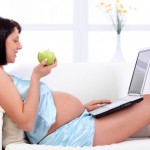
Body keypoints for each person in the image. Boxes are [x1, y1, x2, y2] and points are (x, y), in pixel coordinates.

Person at [0, 16, 150, 147]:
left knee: (143, 104)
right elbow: (26, 122)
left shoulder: (4, 75)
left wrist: (81, 108)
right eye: (15, 40)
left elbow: (32, 107)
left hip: (74, 124)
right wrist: (35, 77)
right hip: (70, 133)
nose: (20, 46)